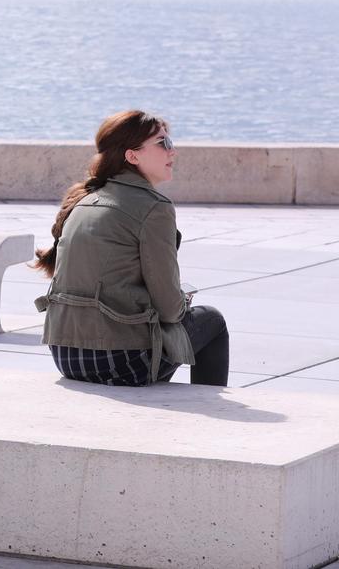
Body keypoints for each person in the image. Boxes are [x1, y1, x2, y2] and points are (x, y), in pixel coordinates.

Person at [34, 111, 229, 387]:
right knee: (211, 321)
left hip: (66, 356)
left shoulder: (85, 199)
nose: (172, 150)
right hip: (120, 360)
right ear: (132, 156)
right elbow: (170, 310)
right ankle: (208, 410)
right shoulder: (154, 207)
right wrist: (180, 300)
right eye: (163, 143)